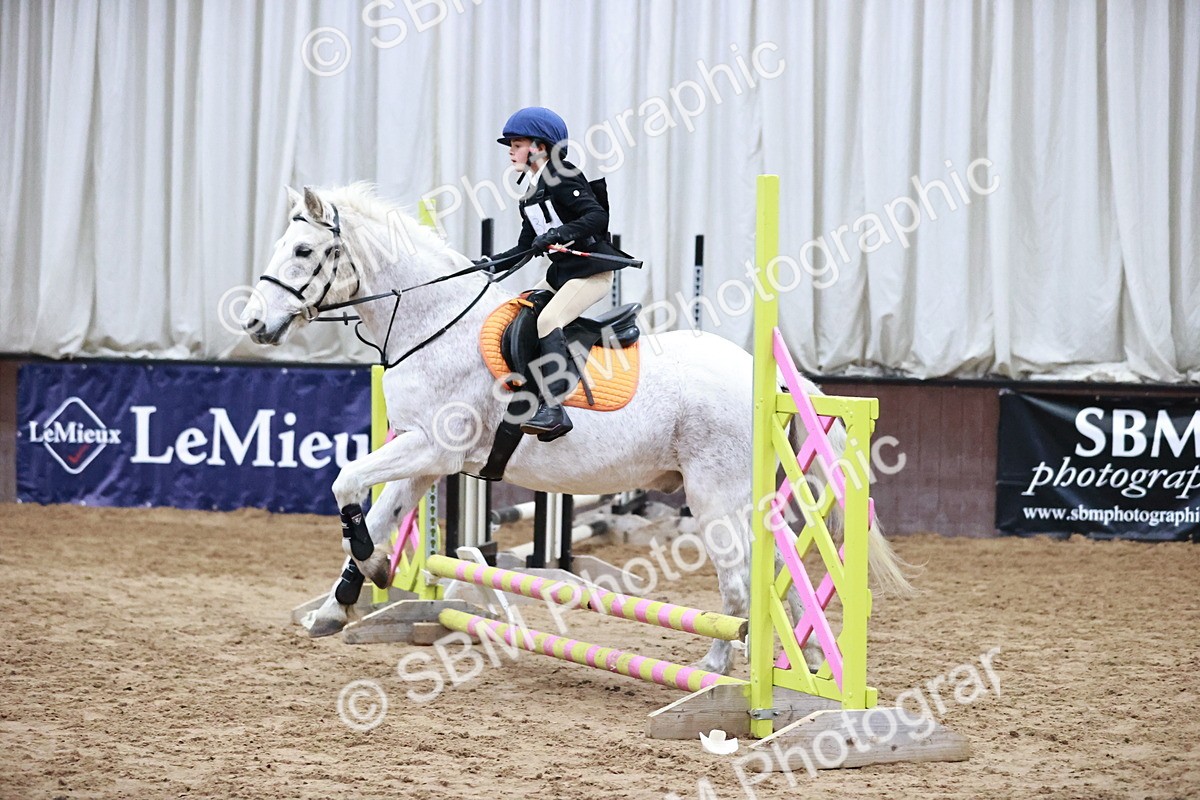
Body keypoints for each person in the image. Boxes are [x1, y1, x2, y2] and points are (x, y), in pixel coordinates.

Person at [485, 107, 636, 441]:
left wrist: (557, 234)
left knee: (547, 320)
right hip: (562, 274)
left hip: (591, 273)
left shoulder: (563, 175)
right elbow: (524, 248)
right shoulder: (530, 194)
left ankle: (554, 409)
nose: (511, 150)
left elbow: (595, 217)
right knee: (520, 310)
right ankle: (528, 391)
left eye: (517, 142)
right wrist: (489, 265)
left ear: (540, 146)